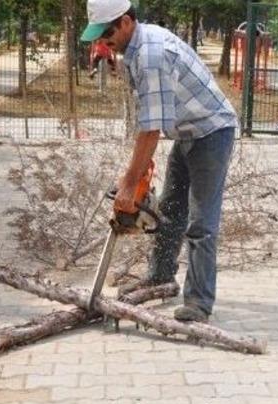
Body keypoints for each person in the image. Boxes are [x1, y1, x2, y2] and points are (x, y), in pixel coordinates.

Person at [81, 0, 238, 323]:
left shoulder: (151, 55)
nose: (103, 42)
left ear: (125, 22)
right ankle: (161, 277)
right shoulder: (136, 50)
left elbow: (150, 129)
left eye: (107, 34)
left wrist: (129, 184)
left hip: (211, 131)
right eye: (99, 36)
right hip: (186, 131)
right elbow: (150, 120)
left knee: (201, 223)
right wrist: (136, 174)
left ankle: (198, 303)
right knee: (170, 209)